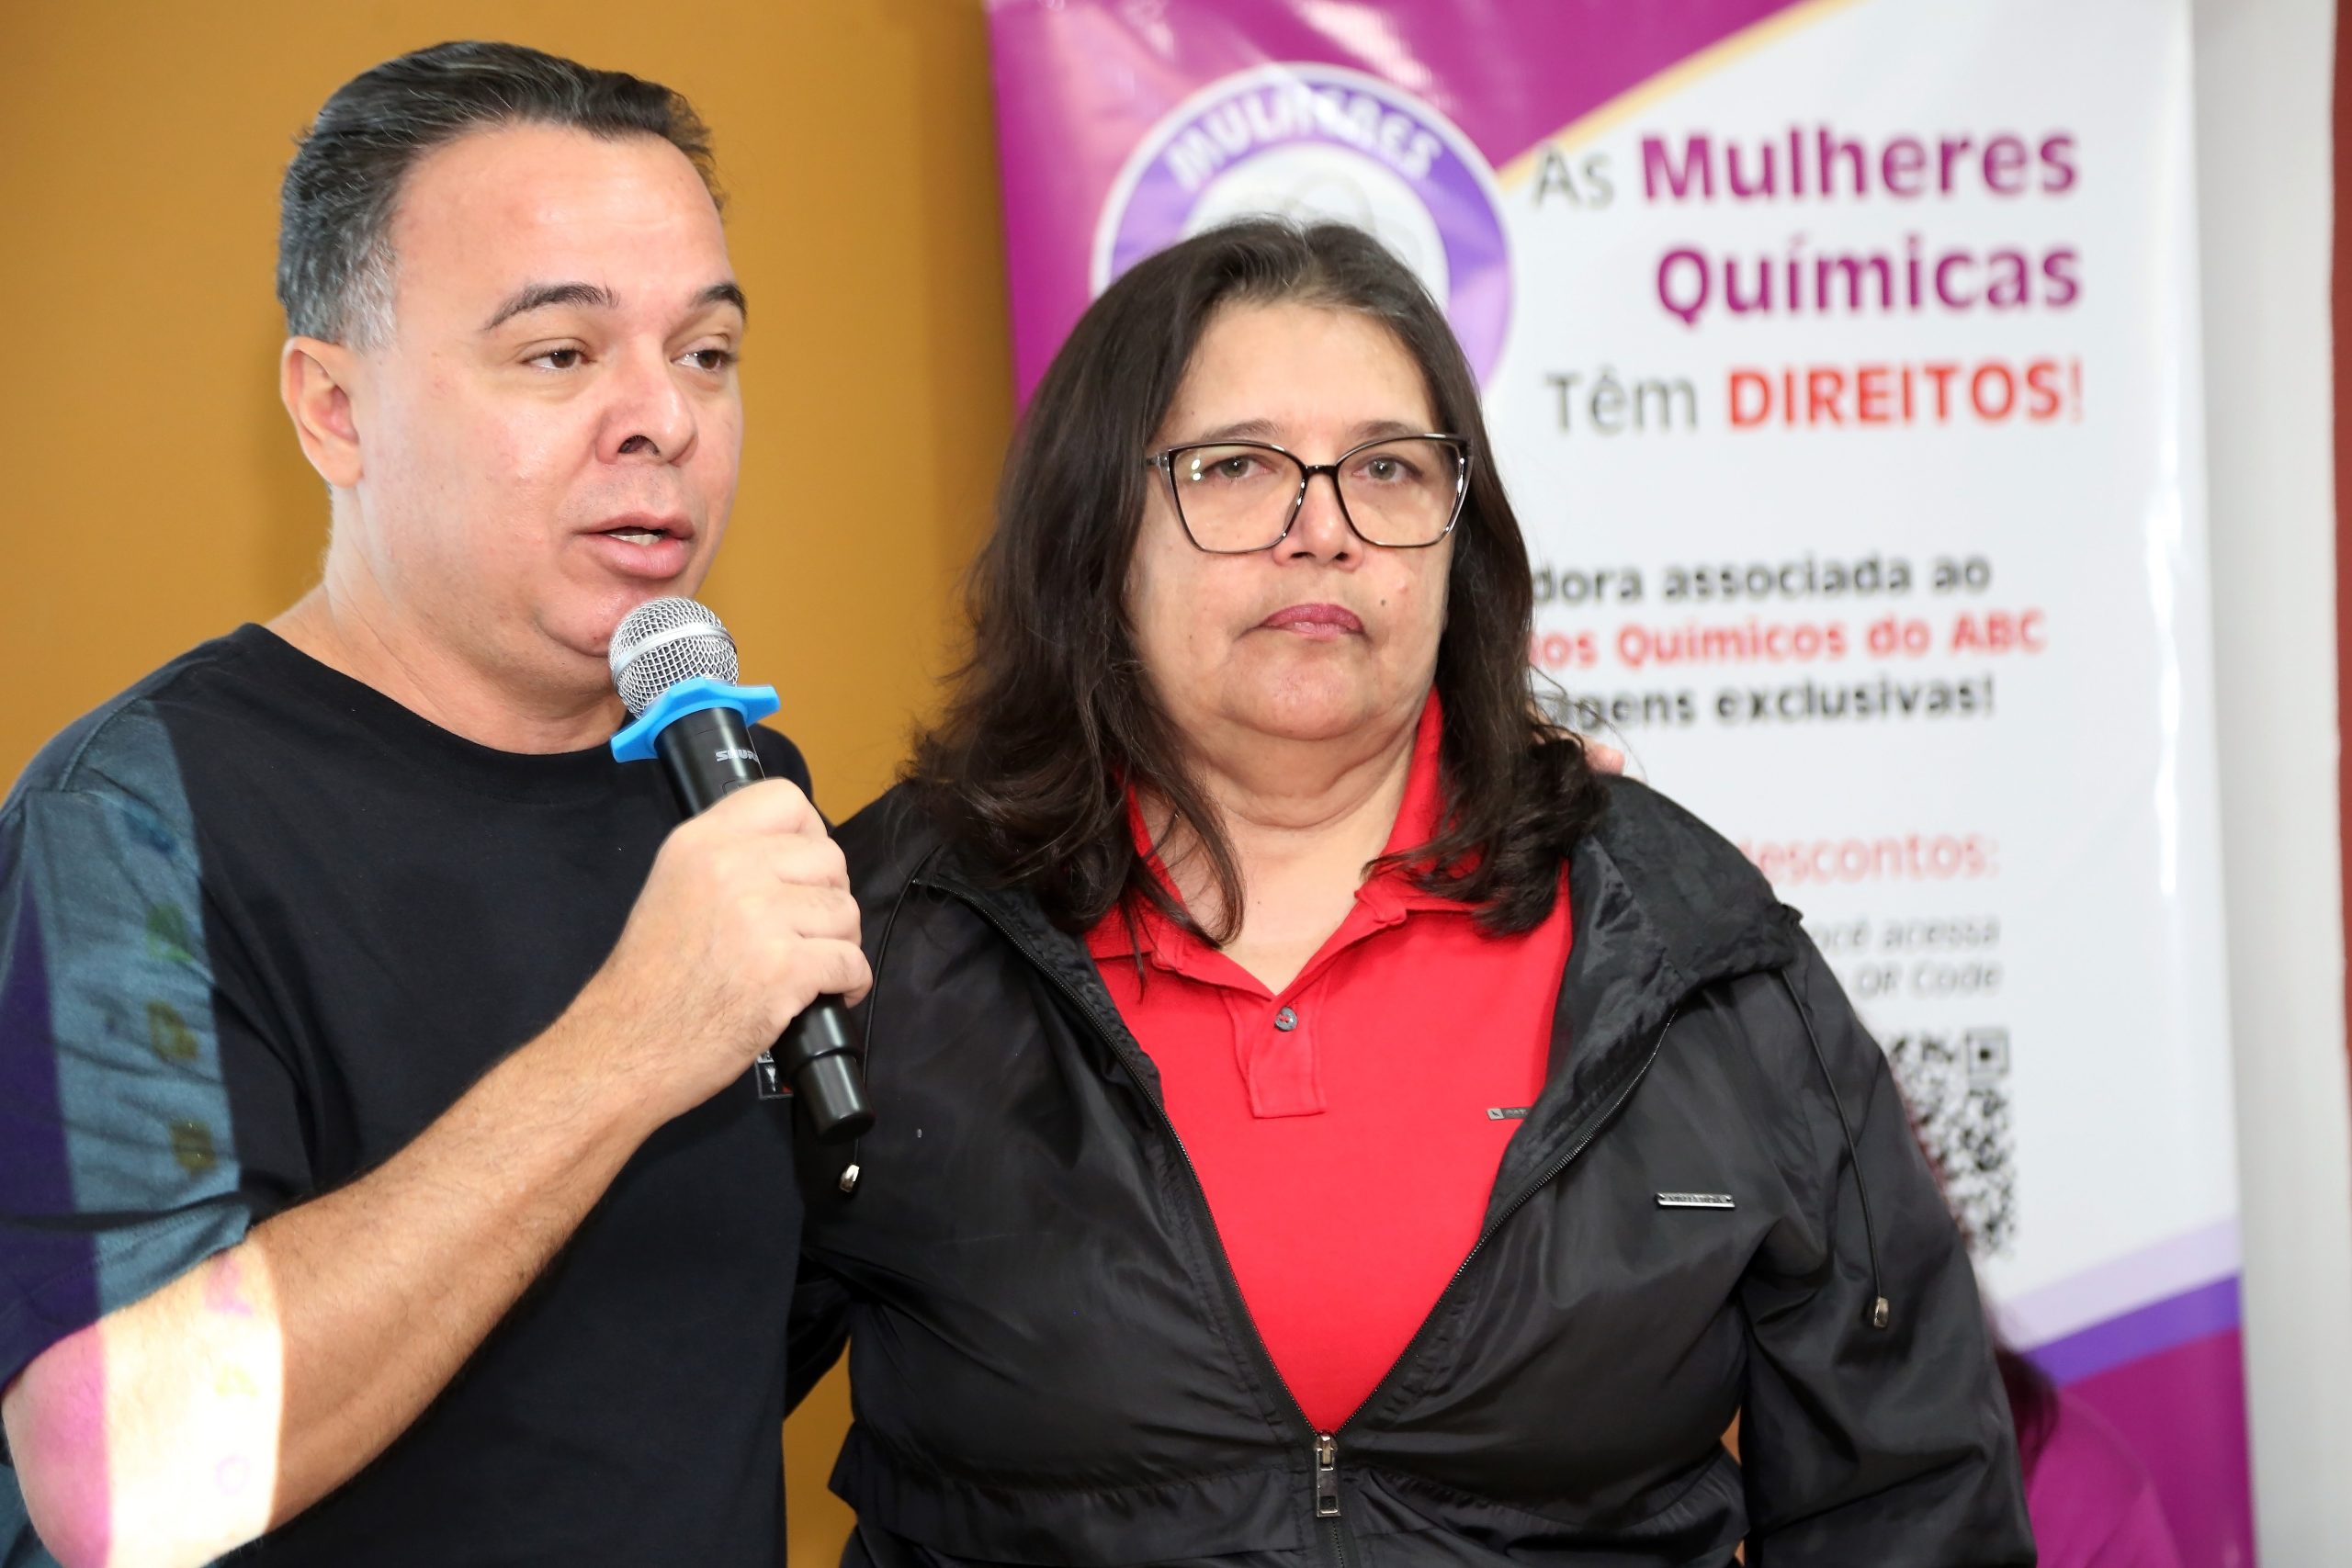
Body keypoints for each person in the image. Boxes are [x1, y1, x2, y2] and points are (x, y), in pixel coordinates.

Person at [796, 220, 2035, 1565]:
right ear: (1097, 531)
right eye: (1238, 467)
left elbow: (1911, 1496)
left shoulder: (1683, 941)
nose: (1320, 530)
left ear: (1461, 543)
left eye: (1387, 469)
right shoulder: (888, 933)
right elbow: (643, 1425)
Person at [0, 42, 867, 1568]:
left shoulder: (726, 785)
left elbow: (703, 1361)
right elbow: (121, 1485)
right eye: (560, 354)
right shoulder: (132, 825)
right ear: (333, 411)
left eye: (708, 352)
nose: (661, 416)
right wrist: (628, 1045)